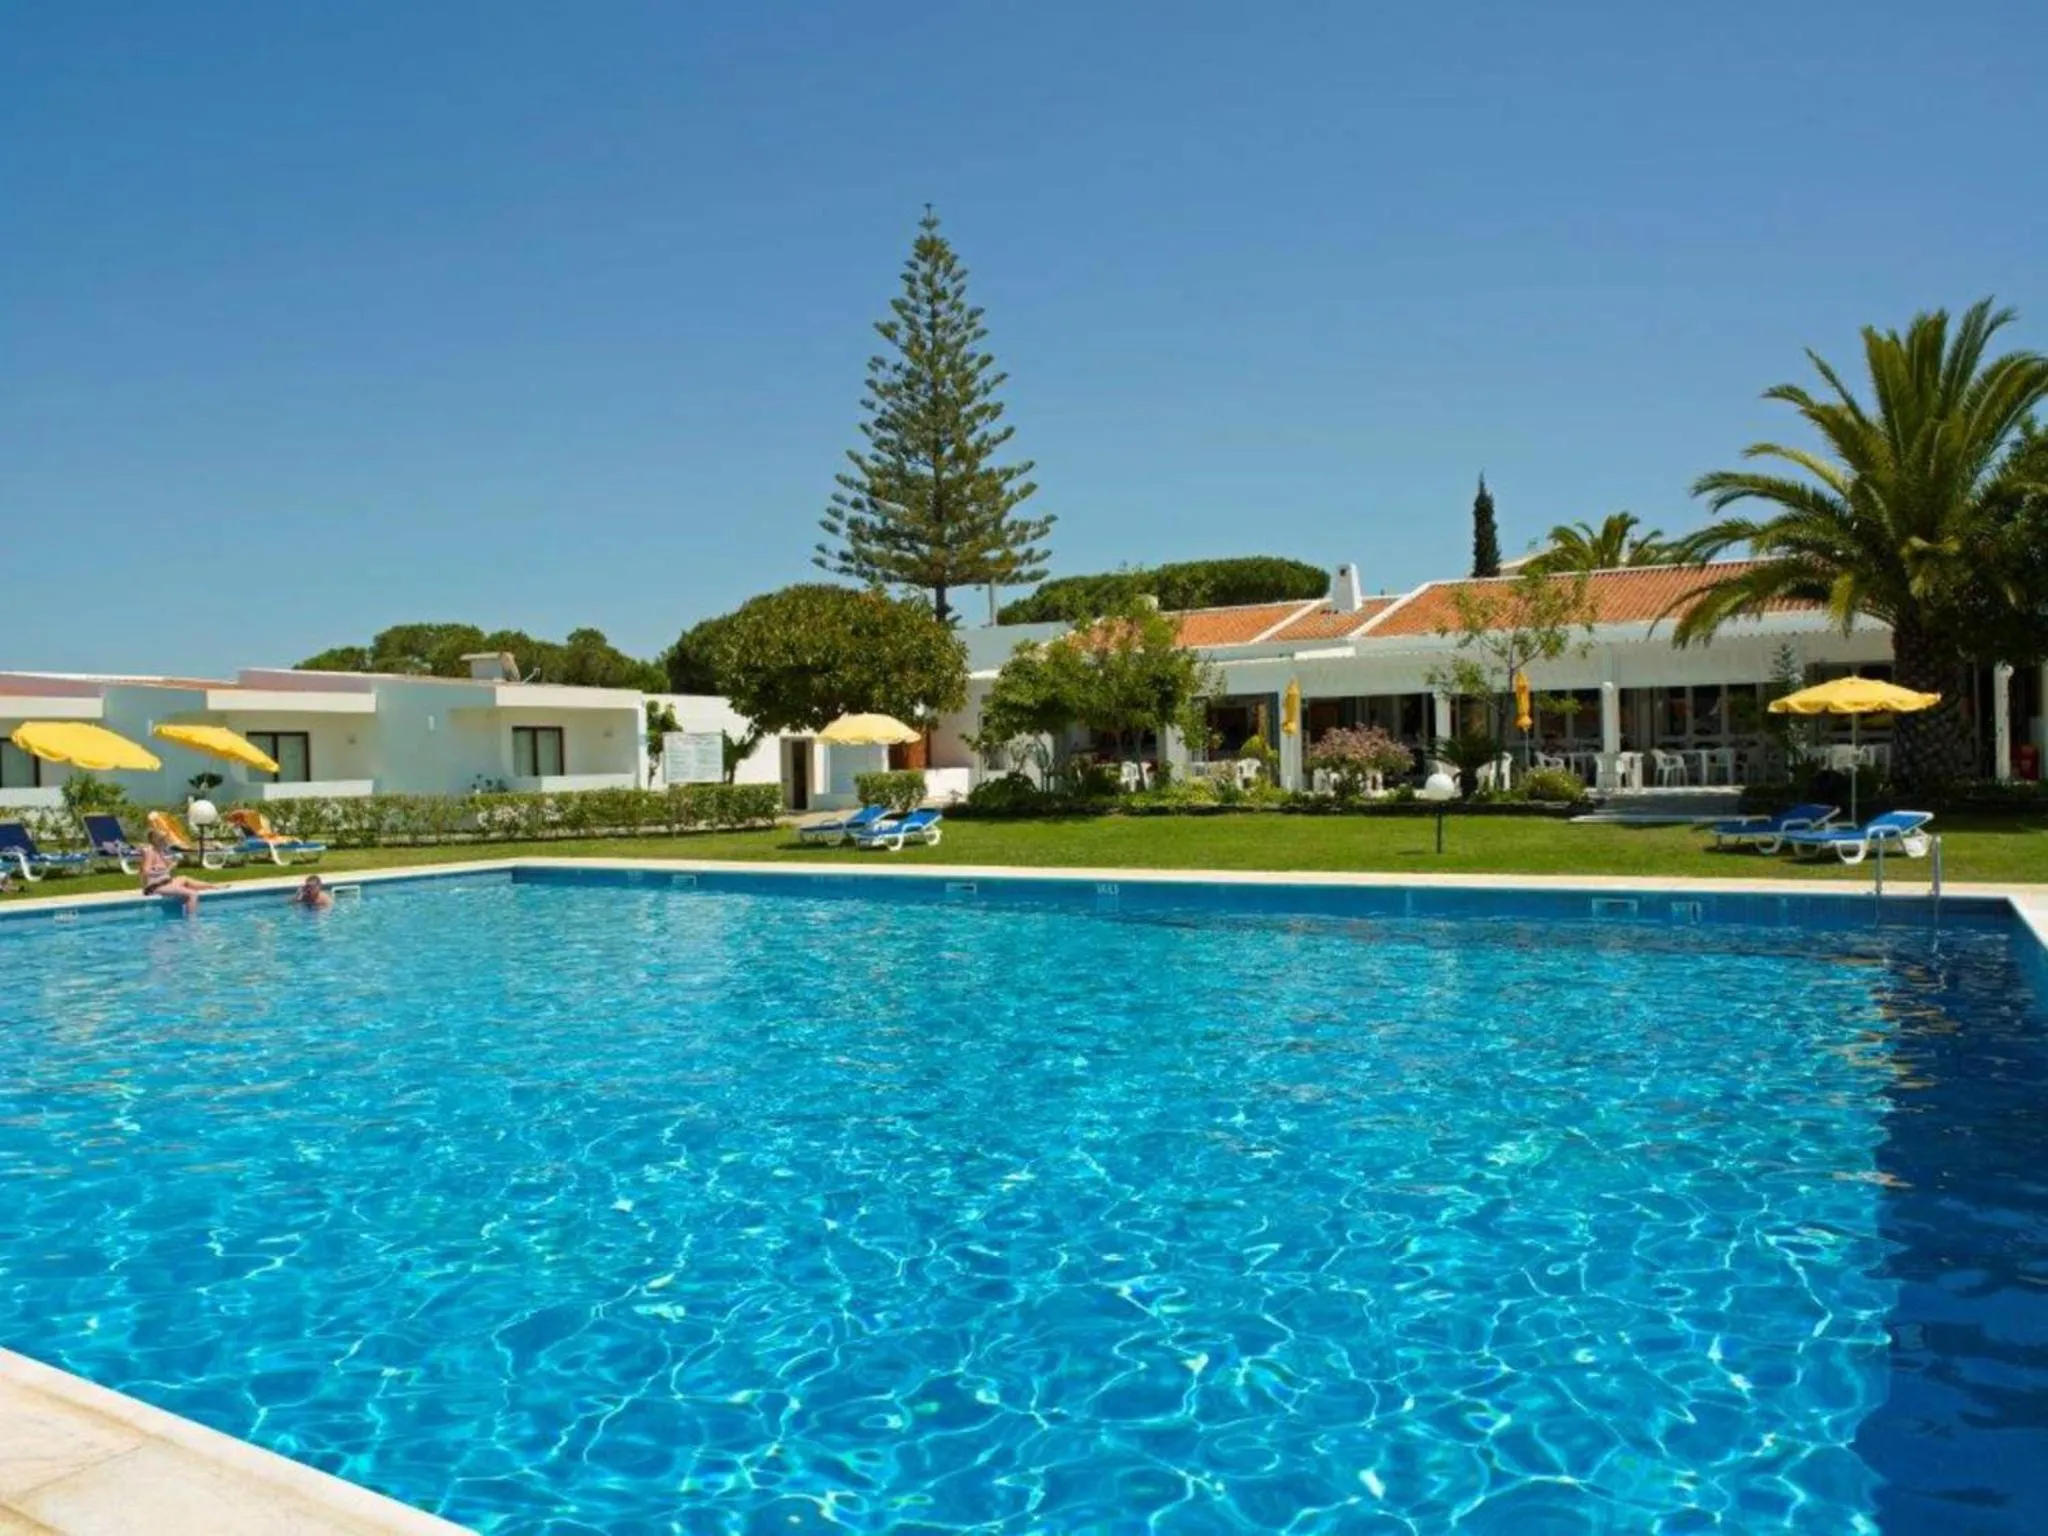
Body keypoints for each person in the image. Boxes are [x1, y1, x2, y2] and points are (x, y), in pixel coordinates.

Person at [139, 829, 224, 916]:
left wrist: (172, 863)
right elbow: (146, 871)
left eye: (166, 839)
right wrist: (167, 870)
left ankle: (213, 886)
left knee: (185, 879)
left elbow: (164, 865)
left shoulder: (159, 851)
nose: (166, 841)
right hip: (155, 887)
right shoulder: (150, 852)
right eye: (163, 839)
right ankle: (192, 920)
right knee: (192, 894)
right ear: (155, 840)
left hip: (165, 883)